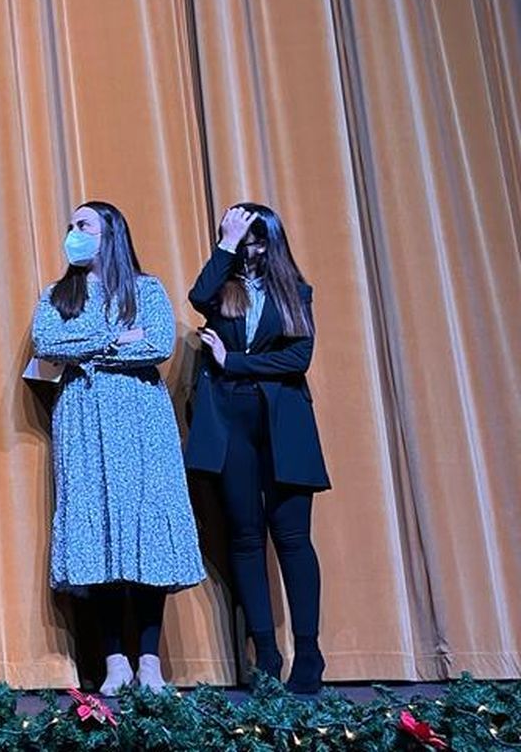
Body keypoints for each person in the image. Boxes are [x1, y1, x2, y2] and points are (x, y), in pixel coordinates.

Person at [30, 202, 205, 694]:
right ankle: (114, 661)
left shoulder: (146, 289)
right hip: (83, 419)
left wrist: (87, 346)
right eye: (70, 226)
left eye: (83, 225)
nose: (73, 233)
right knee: (99, 534)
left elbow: (155, 347)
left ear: (111, 235)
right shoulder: (57, 295)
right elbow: (48, 342)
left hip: (141, 421)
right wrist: (113, 339)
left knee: (144, 533)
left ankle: (149, 660)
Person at [185, 204, 327, 693]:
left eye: (258, 241)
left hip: (282, 421)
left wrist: (234, 361)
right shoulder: (222, 289)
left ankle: (308, 653)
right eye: (243, 240)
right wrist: (224, 245)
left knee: (291, 538)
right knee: (245, 538)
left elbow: (298, 357)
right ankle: (265, 653)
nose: (251, 250)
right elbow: (197, 294)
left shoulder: (295, 292)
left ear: (273, 244)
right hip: (231, 422)